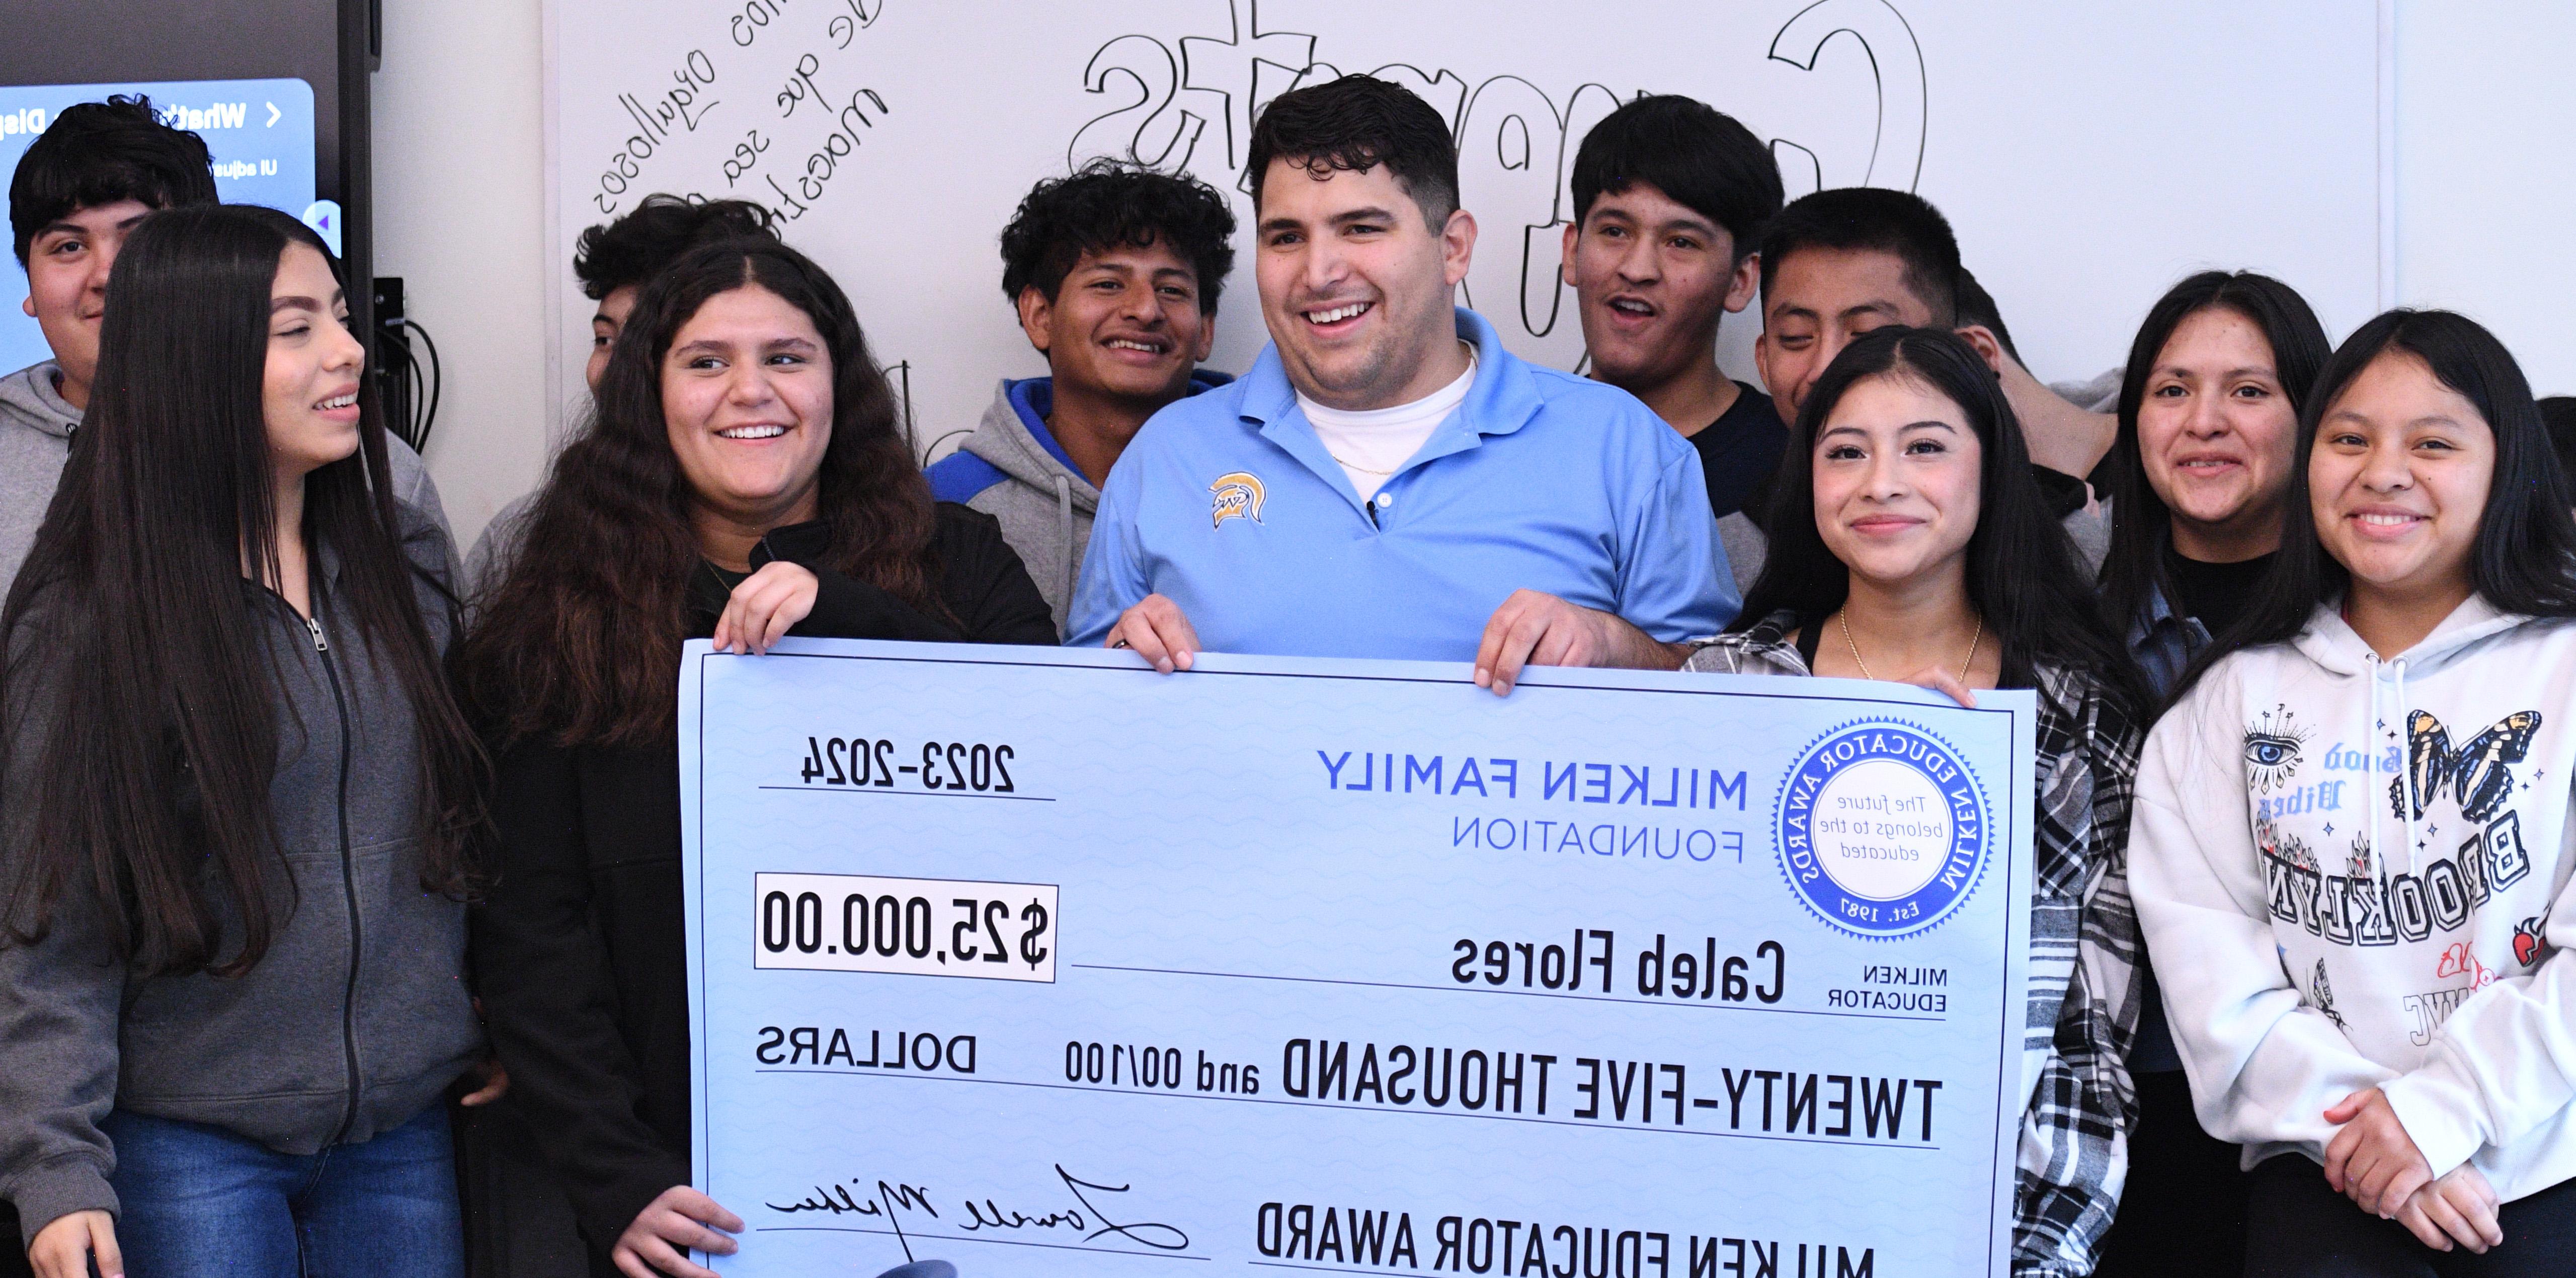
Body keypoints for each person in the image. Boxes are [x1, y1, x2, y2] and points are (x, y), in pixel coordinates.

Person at [461, 237, 1054, 1278]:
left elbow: (1048, 788)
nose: (751, 391)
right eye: (705, 362)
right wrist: (616, 1177)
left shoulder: (962, 563)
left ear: (840, 383)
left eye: (787, 356)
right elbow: (531, 931)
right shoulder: (557, 613)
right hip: (678, 1204)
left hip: (964, 1181)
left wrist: (853, 620)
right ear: (650, 395)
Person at [0, 205, 496, 1278]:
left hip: (402, 1133)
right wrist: (54, 1165)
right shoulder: (87, 619)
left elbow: (463, 814)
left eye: (339, 314)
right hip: (187, 1143)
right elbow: (50, 921)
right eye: (295, 326)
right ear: (195, 361)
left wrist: (494, 1002)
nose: (350, 349)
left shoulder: (402, 558)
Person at [1686, 326, 2146, 1276]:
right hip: (1730, 1207)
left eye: (1926, 448)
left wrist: (2035, 1258)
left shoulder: (2073, 718)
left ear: (1993, 471)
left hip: (1975, 1228)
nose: (1881, 482)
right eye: (1844, 451)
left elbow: (2086, 1046)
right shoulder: (1722, 693)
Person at [2132, 309, 2576, 1275]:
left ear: (2508, 469)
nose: (2383, 472)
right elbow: (2216, 985)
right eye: (2349, 439)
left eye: (2434, 443)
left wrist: (2442, 1113)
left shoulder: (2565, 671)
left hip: (2549, 1161)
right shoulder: (2226, 703)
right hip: (2323, 1167)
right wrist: (2382, 1143)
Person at [1066, 74, 1734, 691]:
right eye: (1286, 237)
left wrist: (1615, 645)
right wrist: (1119, 673)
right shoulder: (1168, 457)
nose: (1319, 271)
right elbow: (1076, 737)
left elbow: (1730, 713)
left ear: (1454, 248)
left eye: (1360, 228)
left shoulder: (1625, 448)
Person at [2086, 270, 2331, 1277]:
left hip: (2336, 1090)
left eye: (2248, 390)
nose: (2204, 422)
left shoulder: (2370, 631)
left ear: (2316, 415)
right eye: (2171, 389)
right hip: (2130, 1089)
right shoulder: (2068, 614)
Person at [4, 96, 450, 595]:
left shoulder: (376, 471)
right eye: (69, 247)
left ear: (212, 263)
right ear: (30, 288)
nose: (108, 275)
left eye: (142, 240)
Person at [1726, 187, 2110, 585]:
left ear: (1967, 360)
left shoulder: (2074, 544)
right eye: (1795, 337)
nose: (1826, 368)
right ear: (1764, 361)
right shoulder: (1725, 560)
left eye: (1867, 336)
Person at [927, 159, 1237, 631]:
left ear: (1206, 329)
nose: (1145, 310)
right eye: (1108, 284)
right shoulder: (941, 506)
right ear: (1039, 315)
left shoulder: (1261, 487)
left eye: (1172, 290)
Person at [463, 193, 781, 594]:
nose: (617, 370)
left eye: (642, 339)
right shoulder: (528, 539)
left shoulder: (855, 546)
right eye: (605, 339)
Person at [1559, 94, 1786, 524]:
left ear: (1741, 280)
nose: (1638, 269)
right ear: (1572, 251)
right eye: (1614, 231)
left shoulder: (1796, 470)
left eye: (1682, 242)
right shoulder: (1508, 446)